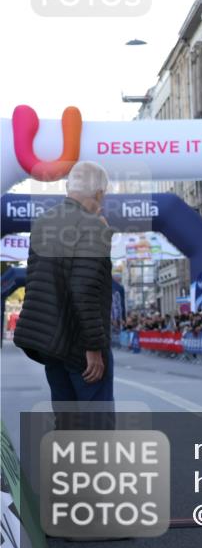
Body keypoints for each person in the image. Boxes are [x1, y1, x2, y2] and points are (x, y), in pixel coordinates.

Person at [14, 162, 115, 428]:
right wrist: (93, 347)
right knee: (97, 425)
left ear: (70, 188)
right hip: (81, 345)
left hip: (50, 342)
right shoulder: (93, 226)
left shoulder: (43, 223)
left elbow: (36, 281)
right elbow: (85, 289)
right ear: (99, 194)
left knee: (67, 421)